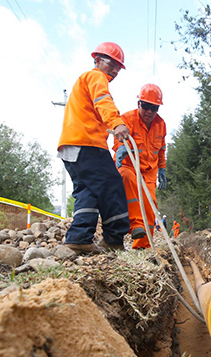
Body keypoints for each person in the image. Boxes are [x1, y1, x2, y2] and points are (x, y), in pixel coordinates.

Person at [57, 42, 130, 254]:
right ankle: (114, 239)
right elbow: (103, 101)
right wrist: (116, 123)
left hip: (71, 146)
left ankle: (79, 238)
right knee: (112, 185)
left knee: (88, 190)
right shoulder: (96, 76)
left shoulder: (85, 81)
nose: (114, 71)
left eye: (118, 67)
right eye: (111, 64)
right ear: (97, 61)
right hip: (87, 145)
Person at [113, 84, 167, 249]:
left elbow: (161, 149)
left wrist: (162, 168)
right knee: (126, 178)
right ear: (139, 104)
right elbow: (117, 138)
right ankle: (136, 224)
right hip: (129, 166)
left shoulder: (161, 124)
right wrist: (120, 148)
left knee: (151, 206)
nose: (149, 111)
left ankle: (142, 246)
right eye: (146, 106)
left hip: (149, 172)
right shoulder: (127, 119)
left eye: (154, 107)